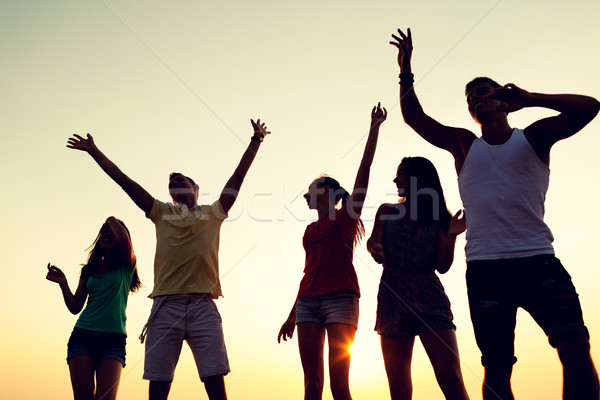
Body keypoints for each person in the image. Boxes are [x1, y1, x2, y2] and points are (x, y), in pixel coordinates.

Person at [390, 27, 600, 400]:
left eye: (483, 93)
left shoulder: (533, 138)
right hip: (486, 270)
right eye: (471, 99)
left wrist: (531, 98)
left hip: (539, 262)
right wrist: (405, 70)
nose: (476, 100)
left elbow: (590, 106)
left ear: (503, 100)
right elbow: (415, 118)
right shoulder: (464, 145)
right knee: (497, 366)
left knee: (575, 348)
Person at [66, 119, 270, 400]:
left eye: (181, 180)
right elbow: (125, 182)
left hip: (203, 307)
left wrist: (256, 140)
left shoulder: (215, 211)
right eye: (172, 184)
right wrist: (94, 151)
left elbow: (238, 177)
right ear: (171, 196)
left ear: (197, 188)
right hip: (165, 307)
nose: (175, 184)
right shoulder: (161, 213)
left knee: (215, 382)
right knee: (159, 386)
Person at [277, 103, 386, 400]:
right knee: (311, 383)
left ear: (326, 192)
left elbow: (364, 169)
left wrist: (374, 128)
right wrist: (291, 314)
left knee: (339, 384)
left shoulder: (346, 218)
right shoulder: (309, 231)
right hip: (308, 303)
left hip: (341, 298)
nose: (305, 195)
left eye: (311, 189)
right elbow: (308, 274)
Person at [367, 157, 469, 400]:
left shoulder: (439, 218)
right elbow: (373, 241)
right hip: (392, 298)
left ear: (416, 179)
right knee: (399, 389)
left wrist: (453, 235)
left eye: (400, 174)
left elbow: (442, 267)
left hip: (430, 299)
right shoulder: (387, 211)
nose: (395, 179)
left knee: (451, 380)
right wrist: (374, 249)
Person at [46, 216, 140, 400]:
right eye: (103, 230)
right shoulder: (89, 269)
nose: (106, 233)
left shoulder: (126, 265)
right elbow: (75, 307)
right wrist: (63, 283)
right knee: (83, 396)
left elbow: (123, 239)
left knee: (106, 397)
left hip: (113, 341)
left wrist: (111, 218)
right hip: (82, 336)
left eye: (111, 230)